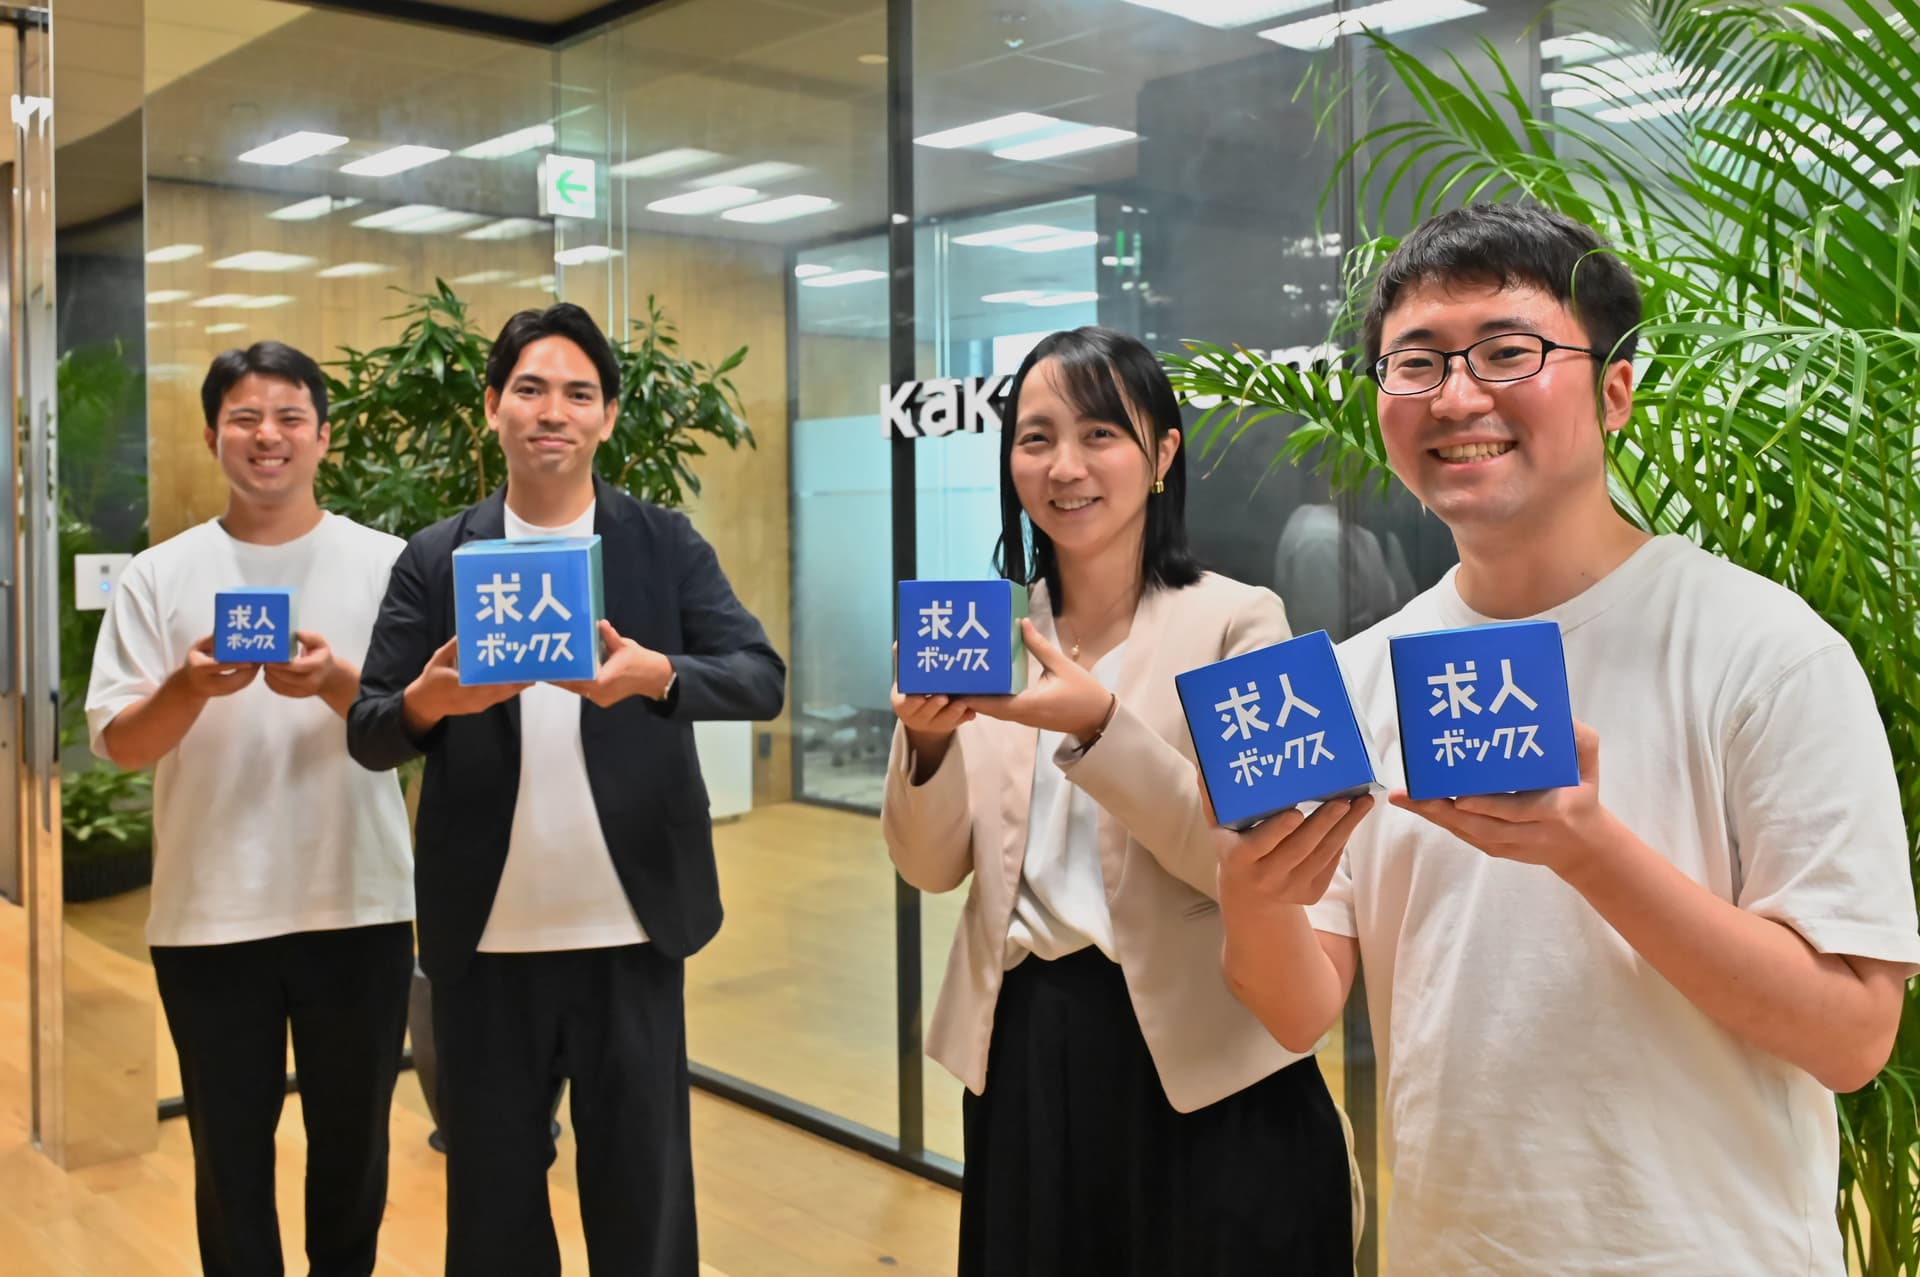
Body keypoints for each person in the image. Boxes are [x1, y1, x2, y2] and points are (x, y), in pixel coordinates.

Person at [1216, 202, 1920, 1274]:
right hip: (1457, 1249)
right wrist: (1254, 893)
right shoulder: (1360, 678)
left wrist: (1589, 849)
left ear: (1615, 393)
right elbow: (1297, 1004)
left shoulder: (1765, 650)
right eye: (1417, 364)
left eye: (1508, 350)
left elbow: (1852, 1035)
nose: (1457, 395)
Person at [883, 326, 1367, 1276]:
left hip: (1206, 1060)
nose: (1066, 465)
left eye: (1101, 433)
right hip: (1024, 1055)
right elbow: (928, 867)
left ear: (1162, 453)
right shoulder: (989, 637)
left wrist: (1103, 727)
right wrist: (930, 738)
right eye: (1035, 437)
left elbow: (1279, 871)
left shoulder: (1239, 620)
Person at [346, 302, 785, 1277]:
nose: (553, 409)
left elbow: (760, 674)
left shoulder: (660, 544)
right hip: (486, 940)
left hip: (633, 929)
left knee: (644, 1198)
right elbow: (369, 730)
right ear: (492, 407)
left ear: (608, 416)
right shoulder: (436, 556)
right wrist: (426, 700)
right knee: (494, 1209)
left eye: (578, 392)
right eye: (531, 388)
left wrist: (656, 674)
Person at [85, 342, 415, 1277]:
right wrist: (190, 687)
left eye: (288, 418)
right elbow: (121, 742)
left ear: (323, 437)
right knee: (229, 1158)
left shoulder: (390, 565)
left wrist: (337, 682)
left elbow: (419, 727)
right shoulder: (159, 574)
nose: (266, 436)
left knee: (354, 1152)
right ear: (210, 434)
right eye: (244, 418)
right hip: (209, 916)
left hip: (360, 904)